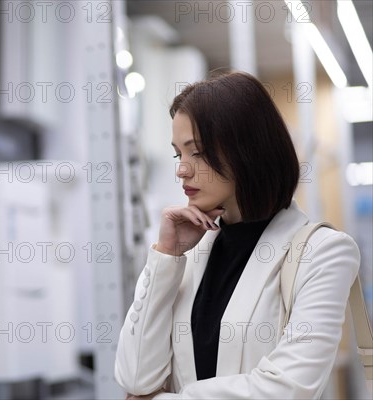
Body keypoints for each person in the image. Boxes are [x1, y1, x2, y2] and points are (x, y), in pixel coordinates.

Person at [114, 71, 361, 399]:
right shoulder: (186, 253)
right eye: (178, 153)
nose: (182, 169)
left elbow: (288, 389)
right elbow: (134, 377)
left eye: (197, 152)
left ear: (247, 150)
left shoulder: (325, 252)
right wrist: (166, 255)